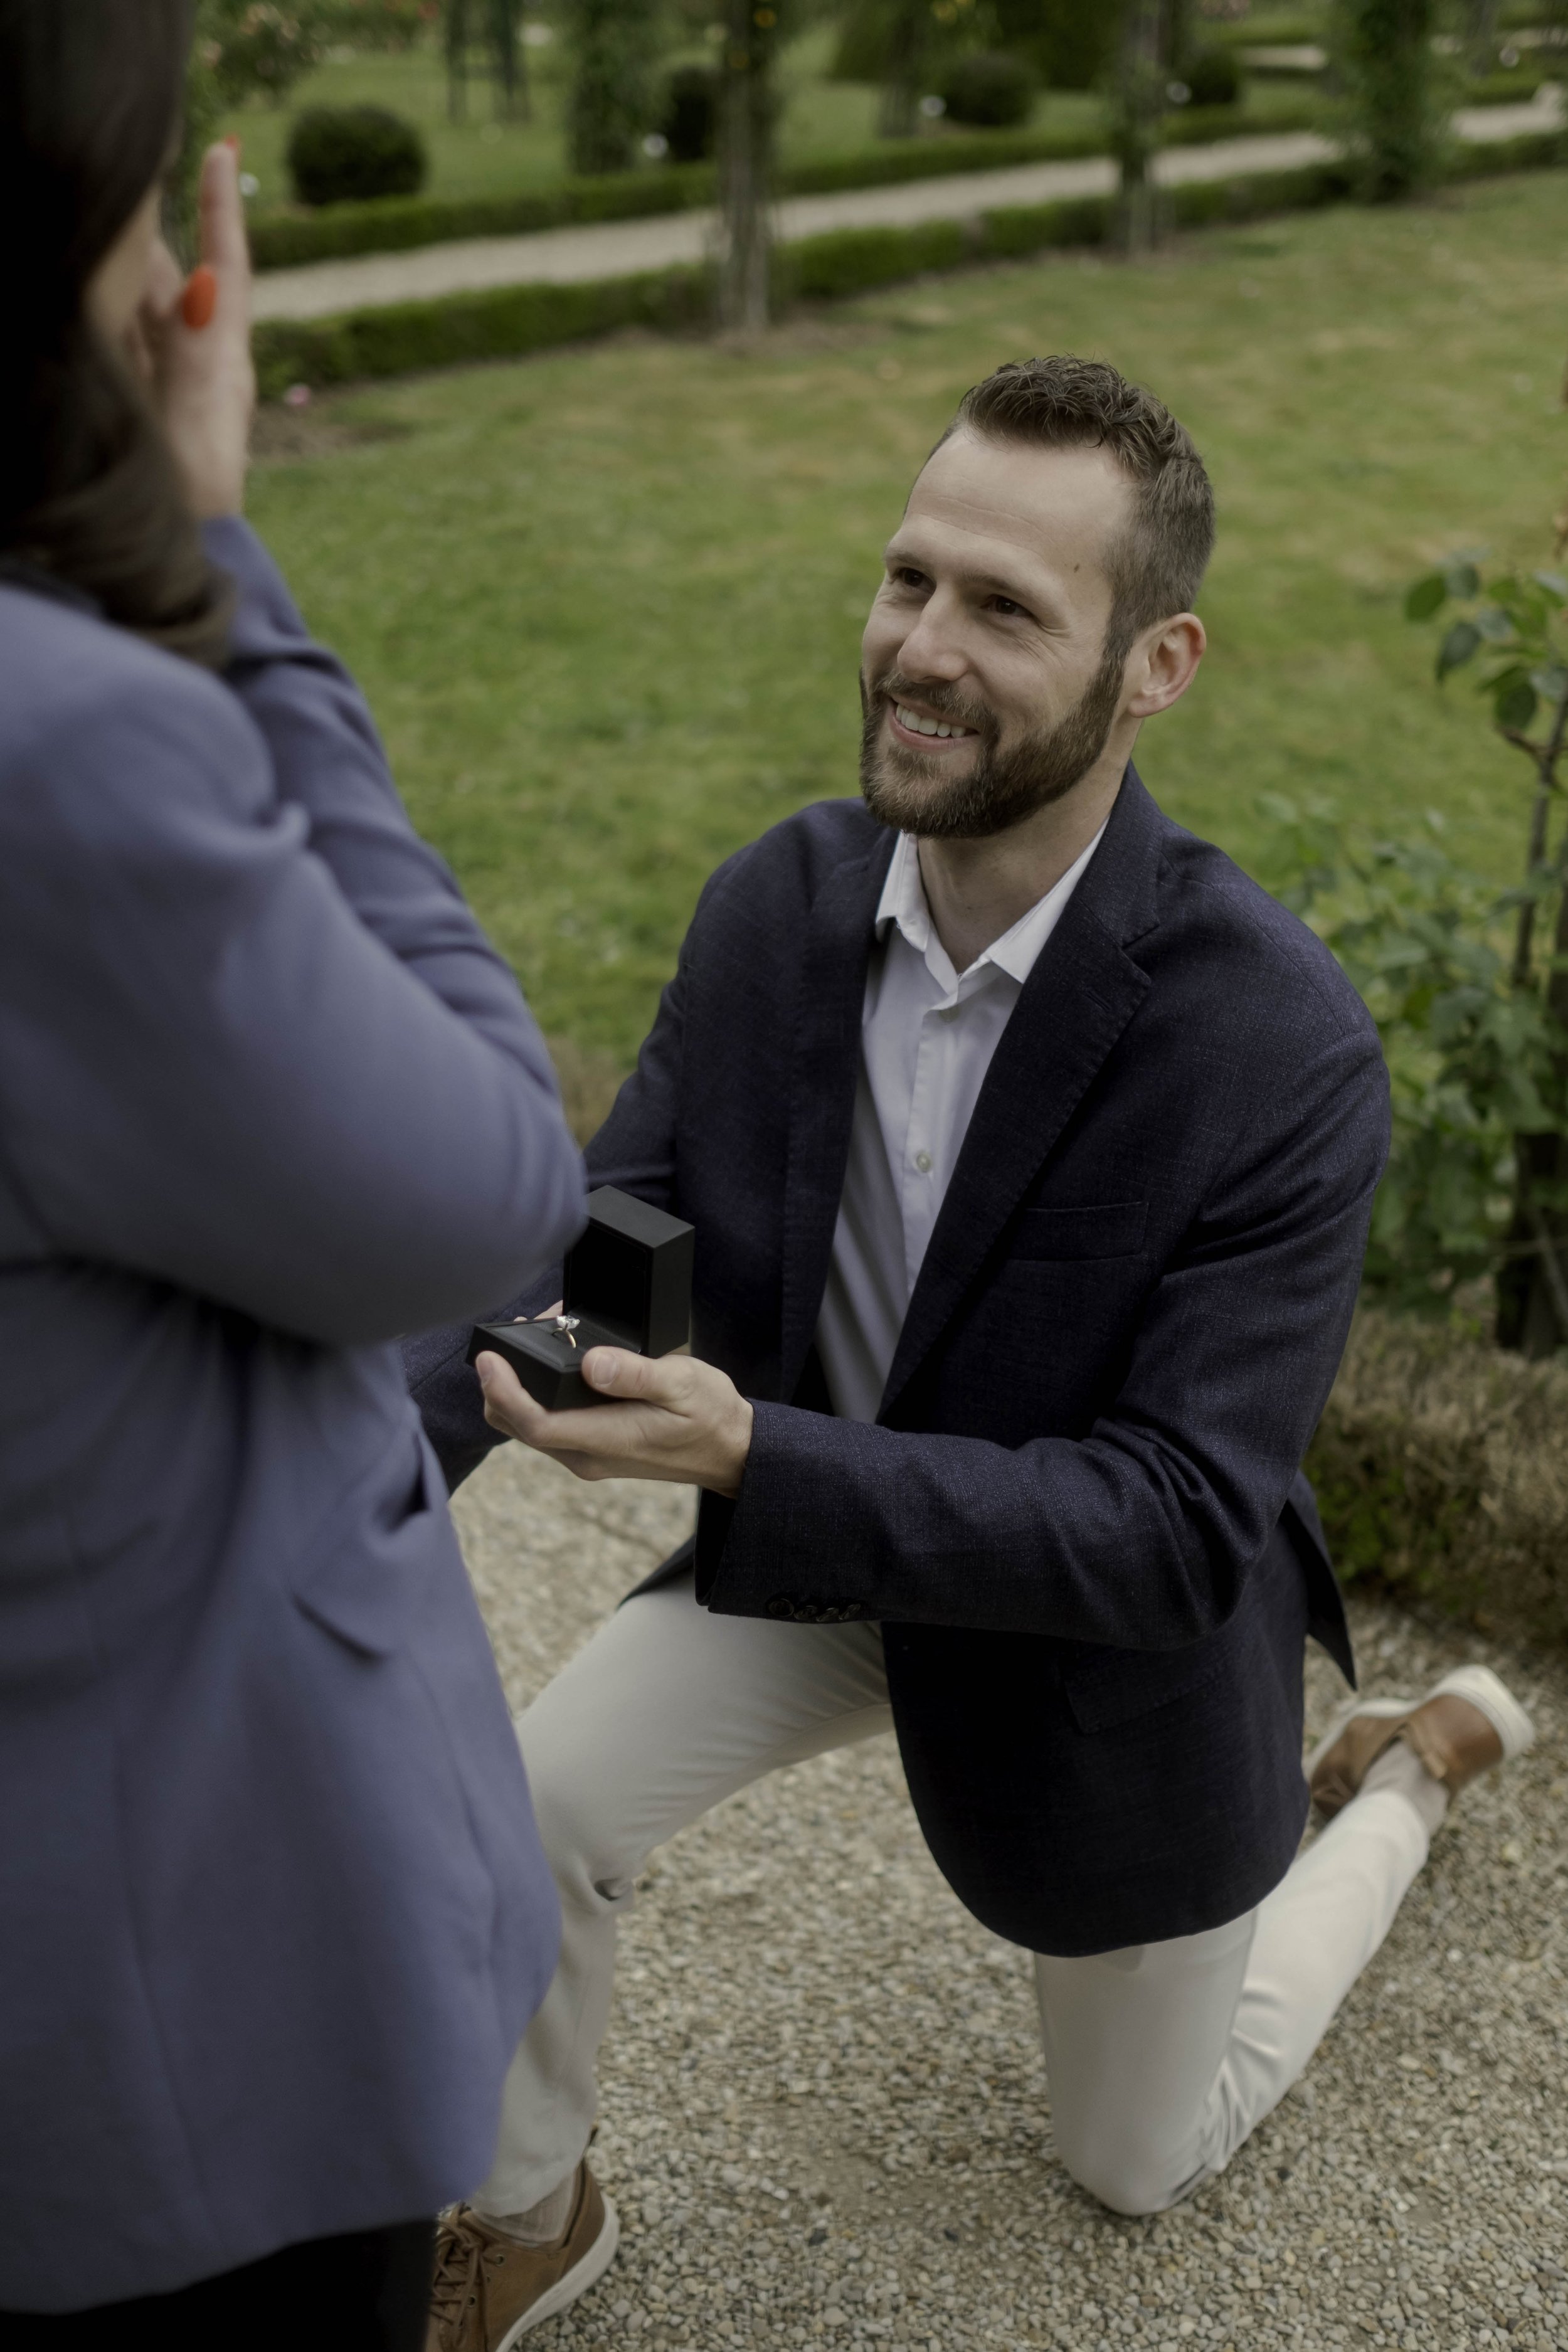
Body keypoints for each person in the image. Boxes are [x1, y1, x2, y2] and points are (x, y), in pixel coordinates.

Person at [406, 356, 1535, 2350]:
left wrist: (758, 1456)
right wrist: (335, 1483)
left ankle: (1396, 1787)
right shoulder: (777, 904)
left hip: (1090, 1644)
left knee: (1134, 2158)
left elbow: (1177, 1530)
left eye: (1006, 609)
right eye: (909, 578)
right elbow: (588, 1258)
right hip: (822, 1545)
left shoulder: (1275, 1051)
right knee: (530, 1809)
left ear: (1156, 660)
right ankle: (523, 2216)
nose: (921, 650)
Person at [0, 3, 586, 2339]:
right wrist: (213, 566)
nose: (169, 275)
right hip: (162, 2053)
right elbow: (487, 1184)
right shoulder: (67, 765)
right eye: (143, 203)